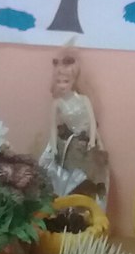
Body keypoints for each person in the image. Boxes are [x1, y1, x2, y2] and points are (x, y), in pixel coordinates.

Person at [40, 44, 109, 206]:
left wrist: (93, 140)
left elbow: (91, 121)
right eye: (59, 81)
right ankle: (67, 206)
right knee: (66, 176)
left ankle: (90, 205)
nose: (62, 85)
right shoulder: (57, 104)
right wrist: (53, 147)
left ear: (73, 81)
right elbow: (53, 128)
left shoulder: (84, 99)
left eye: (66, 81)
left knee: (92, 174)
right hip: (70, 143)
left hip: (87, 141)